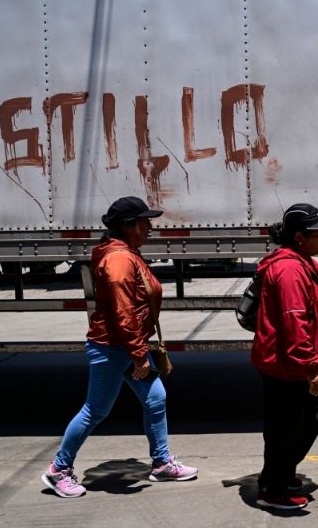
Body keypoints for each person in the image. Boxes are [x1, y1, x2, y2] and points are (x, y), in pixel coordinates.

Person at [41, 196, 196, 498]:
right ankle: (58, 469)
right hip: (113, 347)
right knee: (95, 410)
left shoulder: (127, 253)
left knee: (155, 399)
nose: (150, 227)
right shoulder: (119, 260)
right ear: (127, 226)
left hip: (124, 345)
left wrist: (137, 349)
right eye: (144, 222)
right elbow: (123, 310)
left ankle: (162, 463)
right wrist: (138, 353)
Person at [251, 203, 318, 510]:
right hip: (287, 366)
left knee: (299, 420)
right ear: (300, 237)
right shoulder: (289, 269)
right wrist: (311, 367)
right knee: (287, 427)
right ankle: (272, 489)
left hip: (289, 364)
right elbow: (294, 321)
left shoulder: (301, 262)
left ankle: (281, 474)